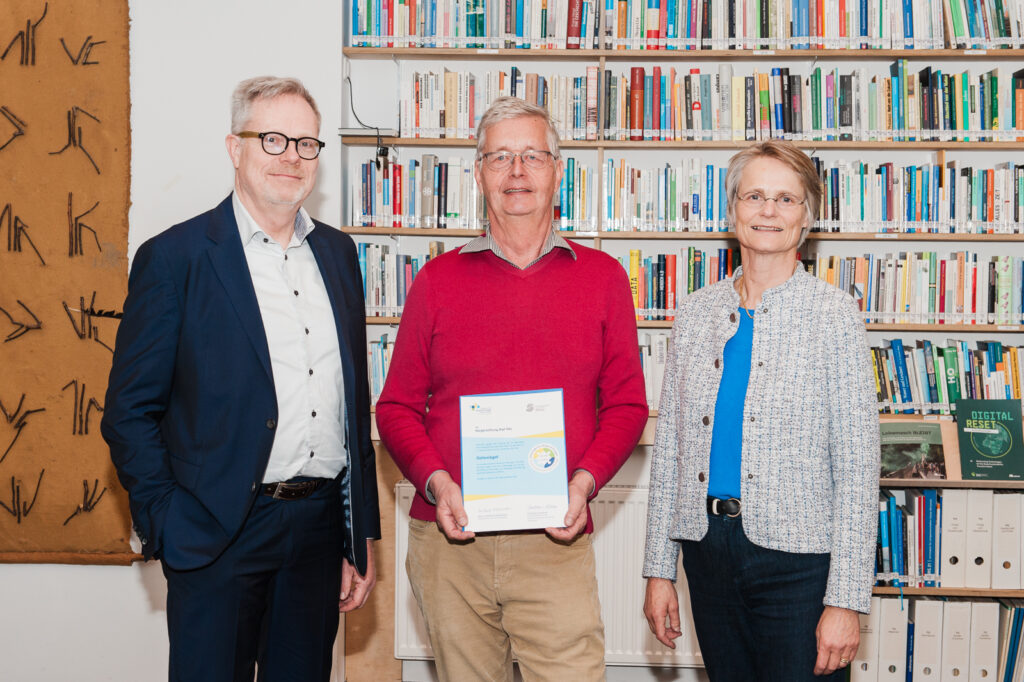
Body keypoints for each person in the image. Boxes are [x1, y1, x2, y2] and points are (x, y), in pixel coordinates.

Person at [101, 76, 380, 682]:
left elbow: (351, 406)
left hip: (318, 532)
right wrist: (169, 520)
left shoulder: (339, 255)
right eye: (272, 139)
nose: (291, 157)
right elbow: (128, 412)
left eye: (306, 143)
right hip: (216, 532)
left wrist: (358, 535)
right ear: (235, 147)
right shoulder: (175, 258)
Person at [375, 96, 648, 682]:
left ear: (557, 171)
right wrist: (437, 482)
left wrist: (584, 482)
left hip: (554, 541)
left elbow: (627, 405)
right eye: (500, 157)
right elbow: (396, 407)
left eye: (532, 156)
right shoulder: (436, 280)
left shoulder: (603, 278)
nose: (517, 171)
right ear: (478, 174)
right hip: (451, 543)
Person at [642, 139, 880, 680]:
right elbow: (672, 449)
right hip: (708, 553)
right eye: (754, 196)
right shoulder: (696, 313)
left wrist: (845, 601)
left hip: (800, 565)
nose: (768, 210)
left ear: (807, 217)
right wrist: (659, 570)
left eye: (785, 199)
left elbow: (858, 469)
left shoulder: (835, 316)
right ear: (733, 210)